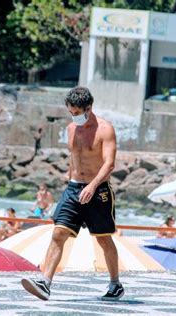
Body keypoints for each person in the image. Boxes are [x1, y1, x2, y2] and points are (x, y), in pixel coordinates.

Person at [21, 87, 124, 301]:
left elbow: (110, 164)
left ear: (89, 108)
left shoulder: (105, 129)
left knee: (104, 239)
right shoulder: (71, 129)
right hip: (74, 188)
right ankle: (45, 283)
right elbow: (74, 157)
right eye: (71, 112)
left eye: (77, 112)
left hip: (99, 191)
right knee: (58, 233)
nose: (73, 117)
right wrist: (70, 180)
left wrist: (92, 185)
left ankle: (115, 284)